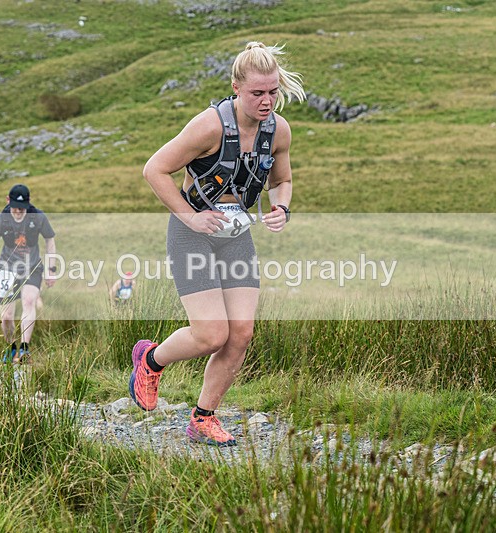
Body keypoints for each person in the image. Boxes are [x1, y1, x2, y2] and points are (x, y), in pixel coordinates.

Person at [130, 42, 303, 447]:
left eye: (273, 91)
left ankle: (203, 419)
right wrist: (190, 217)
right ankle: (150, 360)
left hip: (236, 236)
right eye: (257, 93)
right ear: (236, 88)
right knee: (211, 335)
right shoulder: (209, 126)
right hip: (192, 233)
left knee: (240, 333)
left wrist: (281, 208)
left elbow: (281, 180)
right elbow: (154, 169)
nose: (267, 101)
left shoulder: (278, 130)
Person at [0, 184, 57, 363]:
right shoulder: (0, 220)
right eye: (15, 208)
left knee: (29, 301)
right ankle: (11, 348)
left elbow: (50, 240)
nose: (18, 212)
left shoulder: (38, 217)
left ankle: (24, 349)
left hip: (32, 267)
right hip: (7, 269)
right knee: (6, 316)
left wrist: (51, 269)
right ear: (8, 201)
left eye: (22, 208)